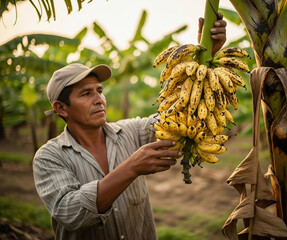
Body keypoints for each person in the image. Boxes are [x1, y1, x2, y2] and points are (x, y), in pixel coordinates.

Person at [33, 15, 227, 240]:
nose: (99, 100)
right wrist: (131, 167)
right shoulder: (48, 157)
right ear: (61, 108)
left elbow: (179, 113)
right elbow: (70, 213)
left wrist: (206, 57)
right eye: (86, 94)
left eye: (100, 91)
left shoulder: (131, 131)